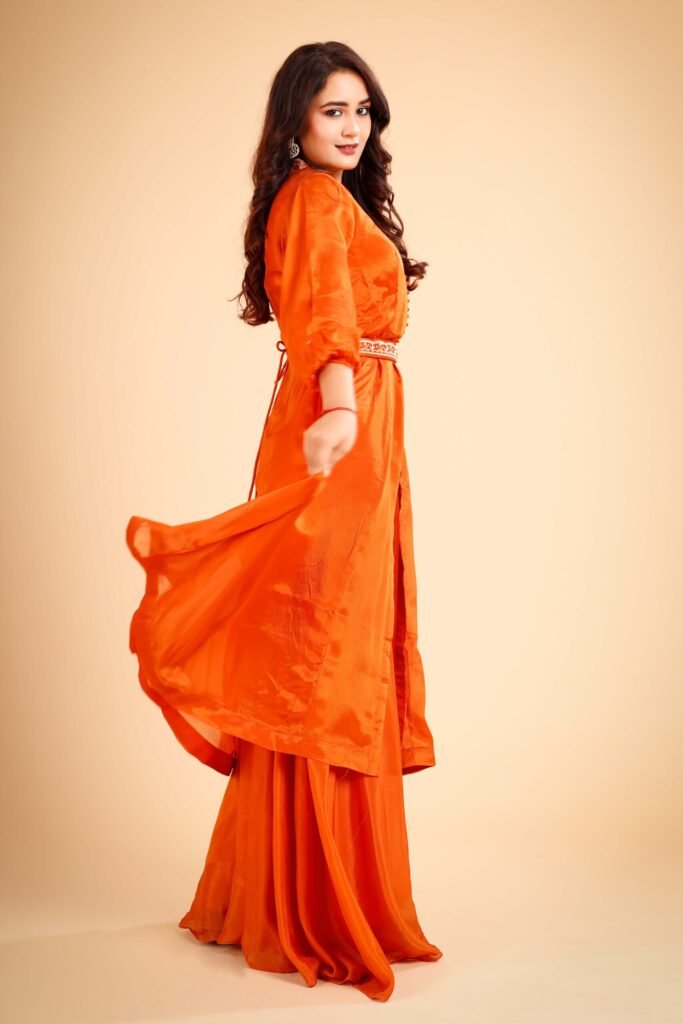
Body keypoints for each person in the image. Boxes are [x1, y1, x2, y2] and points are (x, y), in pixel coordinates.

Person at [125, 41, 443, 1002]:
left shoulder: (333, 198)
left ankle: (291, 888)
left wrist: (350, 407)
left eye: (363, 111)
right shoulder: (309, 198)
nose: (352, 127)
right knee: (321, 653)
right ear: (295, 120)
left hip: (361, 423)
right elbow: (324, 312)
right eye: (333, 110)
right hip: (340, 424)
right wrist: (340, 407)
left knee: (328, 649)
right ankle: (309, 902)